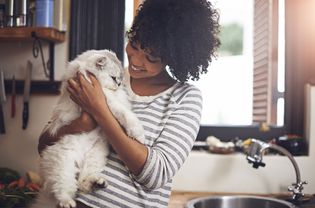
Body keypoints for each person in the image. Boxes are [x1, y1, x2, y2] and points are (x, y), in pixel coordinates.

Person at [38, 0, 220, 207]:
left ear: (173, 58)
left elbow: (155, 175)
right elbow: (44, 144)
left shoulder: (185, 98)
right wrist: (77, 126)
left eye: (151, 57)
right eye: (134, 44)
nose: (136, 60)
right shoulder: (105, 76)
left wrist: (100, 111)